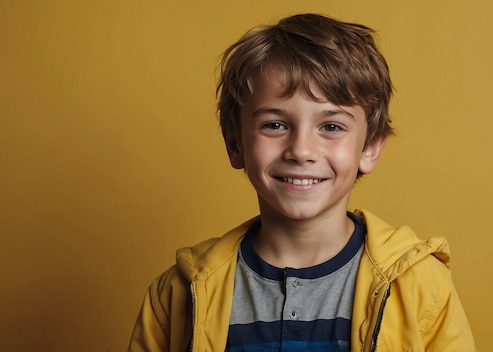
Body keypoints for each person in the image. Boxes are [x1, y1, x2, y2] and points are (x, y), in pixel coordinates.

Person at [129, 13, 475, 352]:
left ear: (369, 148)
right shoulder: (177, 293)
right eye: (275, 125)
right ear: (235, 144)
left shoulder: (421, 286)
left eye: (331, 126)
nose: (301, 150)